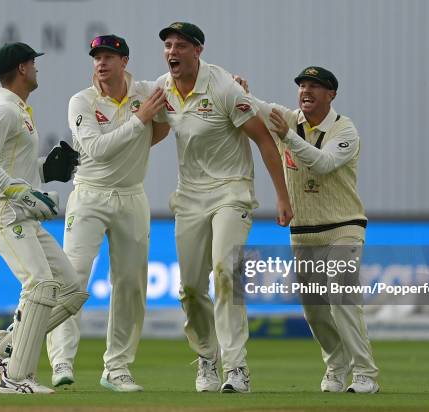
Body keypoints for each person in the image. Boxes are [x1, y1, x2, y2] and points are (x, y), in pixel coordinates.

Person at [153, 22, 293, 393]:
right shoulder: (162, 89)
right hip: (189, 197)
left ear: (198, 51)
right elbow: (149, 126)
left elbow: (264, 139)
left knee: (226, 273)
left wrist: (282, 196)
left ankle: (236, 368)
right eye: (168, 45)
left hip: (232, 192)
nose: (172, 52)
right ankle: (206, 359)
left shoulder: (225, 88)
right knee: (190, 289)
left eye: (180, 45)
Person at [45, 35, 167, 392]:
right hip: (89, 196)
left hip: (132, 196)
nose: (101, 62)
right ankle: (62, 359)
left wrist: (235, 86)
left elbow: (169, 117)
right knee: (73, 278)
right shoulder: (81, 101)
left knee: (130, 284)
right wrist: (138, 122)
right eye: (97, 57)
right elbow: (95, 150)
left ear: (124, 61)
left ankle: (117, 368)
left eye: (109, 56)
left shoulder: (147, 91)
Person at [249, 66, 380, 393]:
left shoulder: (344, 130)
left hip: (344, 226)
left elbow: (321, 163)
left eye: (315, 86)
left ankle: (365, 373)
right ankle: (337, 365)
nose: (306, 91)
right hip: (304, 231)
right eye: (302, 85)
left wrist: (287, 137)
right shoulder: (288, 118)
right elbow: (252, 105)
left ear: (331, 94)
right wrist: (238, 89)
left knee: (342, 296)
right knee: (315, 307)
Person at [0, 42, 88, 394]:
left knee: (71, 291)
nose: (37, 68)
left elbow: (13, 168)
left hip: (22, 213)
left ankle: (5, 348)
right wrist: (18, 191)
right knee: (41, 285)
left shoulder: (19, 109)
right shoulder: (3, 110)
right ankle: (16, 377)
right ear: (22, 69)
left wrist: (44, 171)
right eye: (33, 63)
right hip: (3, 214)